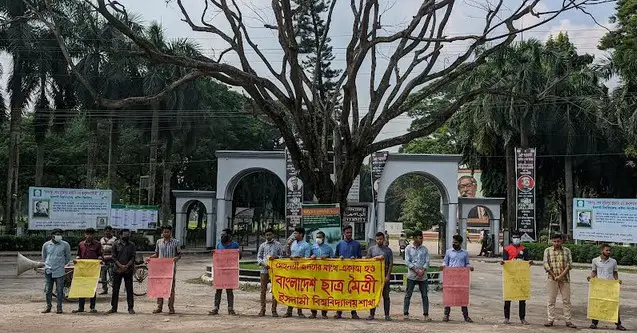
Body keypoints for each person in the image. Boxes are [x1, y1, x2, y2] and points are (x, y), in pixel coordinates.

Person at [588, 244, 626, 331]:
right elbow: (594, 271)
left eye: (609, 250)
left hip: (610, 287)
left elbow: (615, 272)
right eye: (607, 250)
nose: (609, 252)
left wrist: (617, 280)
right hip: (599, 286)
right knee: (597, 303)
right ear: (601, 251)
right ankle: (594, 323)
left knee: (613, 304)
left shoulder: (613, 261)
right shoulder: (595, 260)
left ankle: (618, 324)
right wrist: (591, 278)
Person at [543, 233, 576, 328]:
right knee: (551, 300)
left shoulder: (567, 251)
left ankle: (568, 321)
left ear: (562, 241)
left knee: (566, 300)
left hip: (565, 279)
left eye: (558, 241)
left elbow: (569, 265)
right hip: (551, 279)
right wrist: (554, 276)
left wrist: (561, 276)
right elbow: (546, 264)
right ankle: (550, 320)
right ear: (551, 241)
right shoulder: (547, 251)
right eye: (554, 241)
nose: (556, 243)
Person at [500, 231, 532, 325]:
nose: (516, 239)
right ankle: (506, 318)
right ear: (511, 238)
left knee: (522, 298)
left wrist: (529, 263)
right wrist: (503, 263)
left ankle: (522, 318)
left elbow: (526, 262)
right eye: (514, 237)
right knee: (507, 298)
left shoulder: (524, 249)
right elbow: (505, 261)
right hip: (509, 277)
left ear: (520, 239)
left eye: (518, 237)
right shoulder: (507, 249)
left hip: (521, 277)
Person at [149, 225, 181, 315]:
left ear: (171, 232)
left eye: (167, 232)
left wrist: (176, 258)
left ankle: (171, 307)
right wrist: (150, 258)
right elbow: (156, 254)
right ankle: (159, 307)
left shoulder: (176, 242)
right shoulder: (159, 242)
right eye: (164, 232)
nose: (166, 233)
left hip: (170, 269)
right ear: (162, 233)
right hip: (160, 269)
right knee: (159, 288)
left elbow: (179, 255)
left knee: (171, 288)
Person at [443, 235, 474, 323]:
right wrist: (443, 267)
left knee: (462, 296)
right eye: (453, 242)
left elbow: (467, 264)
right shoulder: (448, 252)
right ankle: (446, 315)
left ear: (460, 243)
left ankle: (466, 316)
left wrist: (470, 267)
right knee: (448, 296)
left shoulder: (465, 253)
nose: (454, 243)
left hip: (461, 278)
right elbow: (445, 262)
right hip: (451, 277)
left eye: (455, 242)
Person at [210, 228, 240, 316]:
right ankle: (215, 308)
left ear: (230, 236)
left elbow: (239, 257)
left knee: (229, 290)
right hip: (220, 271)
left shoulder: (235, 245)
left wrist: (239, 253)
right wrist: (214, 253)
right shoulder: (219, 245)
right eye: (221, 235)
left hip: (230, 272)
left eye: (224, 234)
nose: (222, 236)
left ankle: (230, 309)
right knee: (218, 290)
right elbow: (217, 257)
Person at [41, 229, 72, 314]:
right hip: (48, 270)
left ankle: (59, 307)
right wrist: (48, 264)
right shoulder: (46, 245)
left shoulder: (65, 245)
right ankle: (48, 306)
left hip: (59, 271)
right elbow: (44, 256)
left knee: (59, 290)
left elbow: (68, 257)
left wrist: (61, 264)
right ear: (52, 235)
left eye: (60, 234)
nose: (59, 236)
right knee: (48, 290)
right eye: (57, 234)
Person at [334, 225, 362, 319]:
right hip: (341, 273)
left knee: (353, 292)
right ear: (344, 233)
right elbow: (334, 258)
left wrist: (356, 259)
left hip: (353, 273)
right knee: (340, 292)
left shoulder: (357, 244)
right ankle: (339, 312)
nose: (349, 234)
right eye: (347, 233)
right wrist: (339, 258)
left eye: (350, 232)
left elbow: (360, 259)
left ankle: (353, 312)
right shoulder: (339, 244)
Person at [403, 230, 430, 321]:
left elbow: (427, 261)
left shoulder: (425, 249)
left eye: (422, 238)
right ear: (414, 238)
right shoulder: (408, 248)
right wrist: (416, 270)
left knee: (425, 295)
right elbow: (407, 261)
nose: (421, 240)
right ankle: (405, 313)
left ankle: (426, 314)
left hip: (423, 276)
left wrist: (423, 270)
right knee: (408, 294)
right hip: (412, 275)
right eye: (420, 238)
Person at [73, 228, 102, 314]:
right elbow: (78, 255)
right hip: (82, 269)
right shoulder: (81, 244)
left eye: (91, 234)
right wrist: (77, 260)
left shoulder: (98, 244)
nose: (89, 236)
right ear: (85, 234)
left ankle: (92, 307)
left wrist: (100, 258)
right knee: (81, 287)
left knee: (92, 288)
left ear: (94, 235)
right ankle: (80, 307)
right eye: (88, 234)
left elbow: (100, 255)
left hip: (93, 270)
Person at [256, 228, 284, 317]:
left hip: (275, 270)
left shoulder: (278, 245)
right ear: (265, 236)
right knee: (263, 290)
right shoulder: (262, 245)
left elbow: (282, 256)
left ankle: (274, 310)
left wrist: (276, 257)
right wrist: (263, 264)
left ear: (273, 235)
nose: (268, 236)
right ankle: (262, 309)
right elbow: (259, 257)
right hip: (264, 270)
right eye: (267, 235)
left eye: (270, 234)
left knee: (275, 290)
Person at [107, 229, 136, 314]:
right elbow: (113, 257)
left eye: (128, 235)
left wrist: (127, 266)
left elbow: (133, 257)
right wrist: (120, 265)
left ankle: (130, 308)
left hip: (128, 270)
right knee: (115, 290)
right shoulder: (115, 244)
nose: (126, 237)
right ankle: (114, 308)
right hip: (117, 270)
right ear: (120, 235)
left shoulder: (132, 245)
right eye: (125, 235)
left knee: (129, 289)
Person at [285, 226, 311, 318]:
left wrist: (298, 259)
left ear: (301, 234)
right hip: (292, 270)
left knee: (300, 291)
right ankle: (289, 310)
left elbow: (307, 259)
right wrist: (288, 245)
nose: (294, 235)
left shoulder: (306, 245)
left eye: (296, 233)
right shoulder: (292, 243)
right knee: (291, 290)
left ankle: (300, 311)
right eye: (294, 233)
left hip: (301, 271)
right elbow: (288, 254)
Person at [366, 232, 393, 321]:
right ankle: (372, 314)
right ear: (375, 239)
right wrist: (376, 258)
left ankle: (387, 315)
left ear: (384, 239)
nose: (379, 241)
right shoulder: (371, 249)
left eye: (381, 239)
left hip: (384, 275)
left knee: (386, 296)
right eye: (377, 239)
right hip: (374, 276)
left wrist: (388, 276)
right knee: (373, 295)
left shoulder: (388, 250)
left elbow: (390, 264)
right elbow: (367, 261)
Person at [309, 231, 334, 319]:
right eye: (317, 237)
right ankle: (313, 312)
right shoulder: (312, 247)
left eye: (320, 237)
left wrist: (327, 258)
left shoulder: (328, 248)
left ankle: (324, 313)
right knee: (313, 294)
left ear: (324, 238)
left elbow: (334, 260)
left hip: (325, 275)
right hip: (314, 275)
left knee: (324, 294)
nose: (318, 239)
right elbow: (307, 259)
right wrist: (311, 257)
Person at [100, 226, 117, 294]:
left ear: (111, 232)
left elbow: (116, 249)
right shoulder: (101, 239)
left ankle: (114, 289)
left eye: (109, 231)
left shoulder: (115, 239)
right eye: (106, 231)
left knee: (112, 275)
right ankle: (105, 289)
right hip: (103, 260)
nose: (107, 232)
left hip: (112, 260)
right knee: (103, 276)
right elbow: (100, 249)